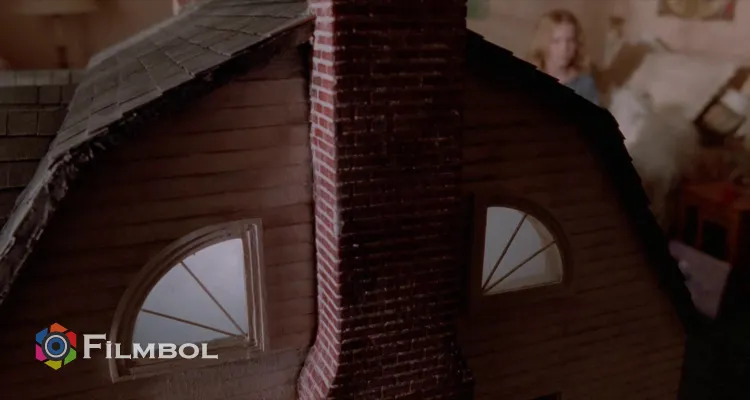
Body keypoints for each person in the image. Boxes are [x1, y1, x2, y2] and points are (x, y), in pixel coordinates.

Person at [528, 9, 600, 106]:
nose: (564, 48)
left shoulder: (584, 85)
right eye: (556, 41)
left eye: (570, 40)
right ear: (543, 43)